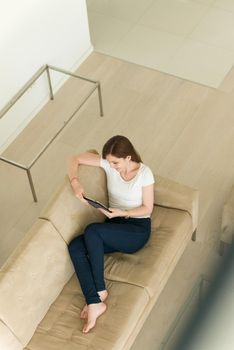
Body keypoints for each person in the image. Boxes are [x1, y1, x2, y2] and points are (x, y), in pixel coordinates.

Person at [67, 135, 155, 333]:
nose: (112, 166)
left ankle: (100, 290)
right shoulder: (108, 165)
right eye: (109, 162)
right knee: (75, 247)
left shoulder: (144, 173)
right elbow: (74, 159)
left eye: (116, 162)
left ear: (128, 158)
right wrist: (75, 183)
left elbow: (147, 208)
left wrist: (123, 212)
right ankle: (94, 303)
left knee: (92, 231)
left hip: (136, 229)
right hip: (113, 226)